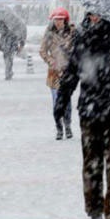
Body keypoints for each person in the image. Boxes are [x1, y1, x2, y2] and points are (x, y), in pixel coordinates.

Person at [55, 12, 110, 219]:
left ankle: (98, 207)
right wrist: (62, 98)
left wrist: (62, 98)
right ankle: (106, 209)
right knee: (105, 162)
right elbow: (72, 71)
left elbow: (71, 72)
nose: (94, 18)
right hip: (105, 108)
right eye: (92, 15)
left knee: (95, 161)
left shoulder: (84, 38)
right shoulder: (91, 38)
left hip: (93, 109)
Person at [39, 7, 75, 140]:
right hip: (54, 72)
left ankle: (68, 125)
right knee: (56, 101)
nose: (58, 22)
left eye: (61, 19)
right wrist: (50, 61)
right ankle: (58, 127)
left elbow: (77, 48)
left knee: (67, 101)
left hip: (67, 71)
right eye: (56, 20)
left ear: (65, 20)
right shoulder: (49, 33)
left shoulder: (72, 33)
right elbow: (42, 51)